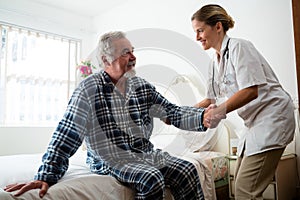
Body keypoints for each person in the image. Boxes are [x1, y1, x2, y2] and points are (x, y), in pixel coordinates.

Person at [4, 31, 222, 200]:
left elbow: (171, 112)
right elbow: (66, 135)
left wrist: (201, 116)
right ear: (106, 60)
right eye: (125, 52)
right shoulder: (89, 89)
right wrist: (45, 176)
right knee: (151, 178)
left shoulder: (142, 87)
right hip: (109, 158)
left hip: (143, 153)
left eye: (133, 50)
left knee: (187, 168)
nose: (133, 57)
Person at [191, 4, 295, 200]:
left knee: (245, 192)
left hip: (272, 119)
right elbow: (210, 99)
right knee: (239, 187)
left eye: (200, 30)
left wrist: (219, 111)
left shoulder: (240, 47)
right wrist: (178, 111)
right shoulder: (215, 63)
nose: (197, 37)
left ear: (218, 26)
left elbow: (250, 91)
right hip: (254, 126)